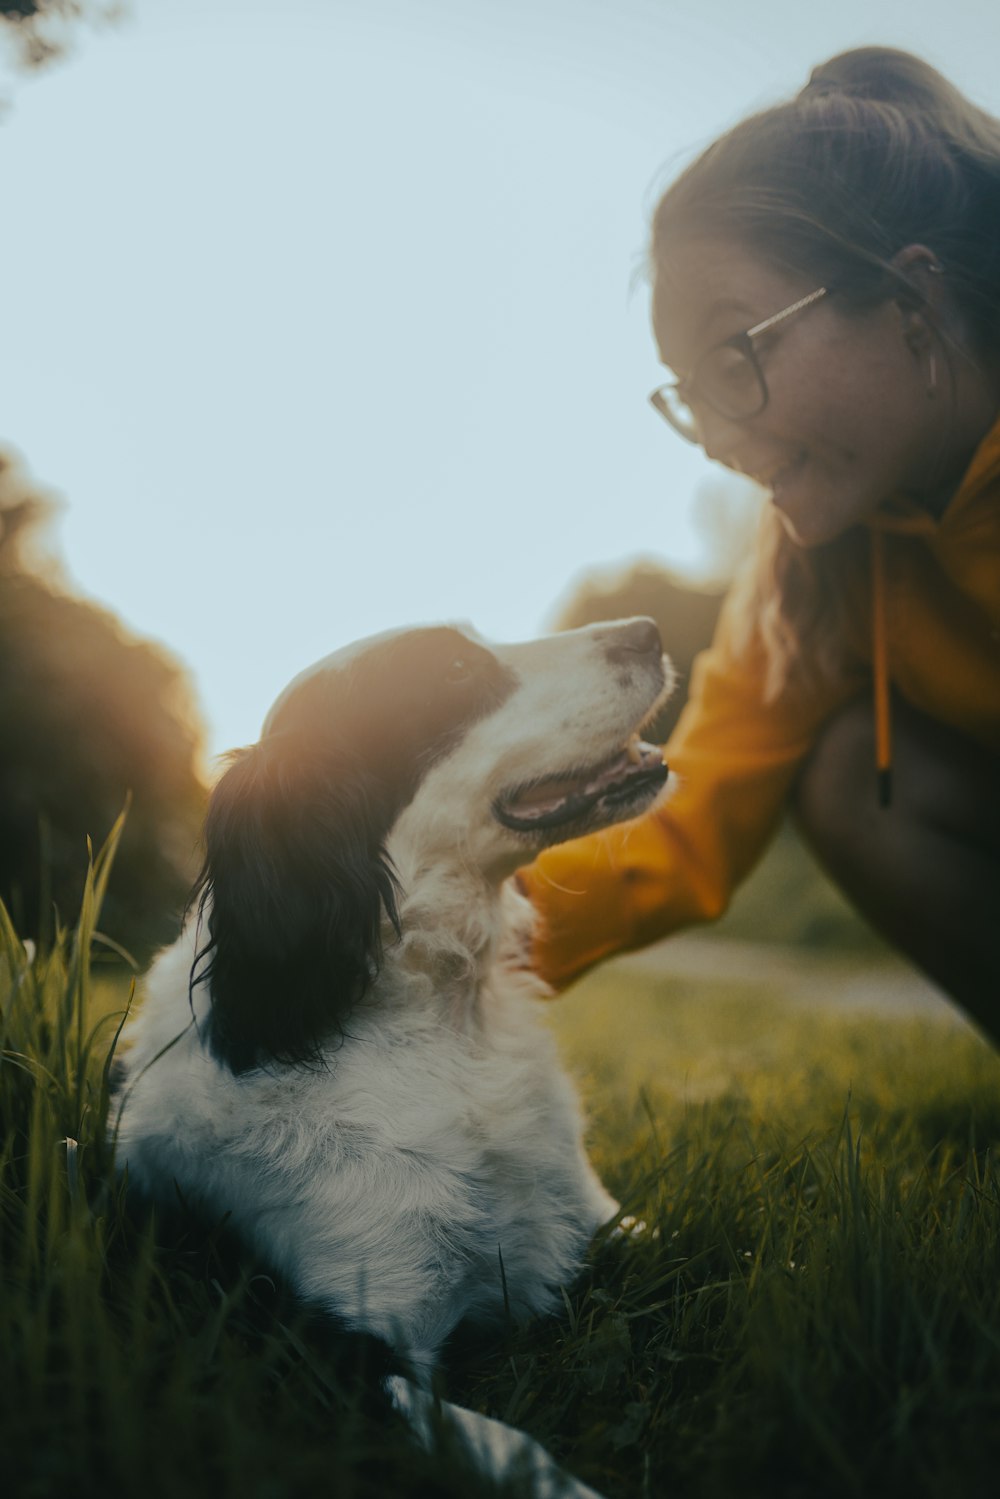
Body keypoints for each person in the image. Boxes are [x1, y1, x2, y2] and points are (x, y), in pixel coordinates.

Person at [518, 47, 1000, 1041]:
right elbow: (679, 820)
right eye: (687, 393)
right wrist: (411, 930)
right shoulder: (812, 565)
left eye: (735, 353)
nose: (718, 438)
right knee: (848, 779)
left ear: (910, 300)